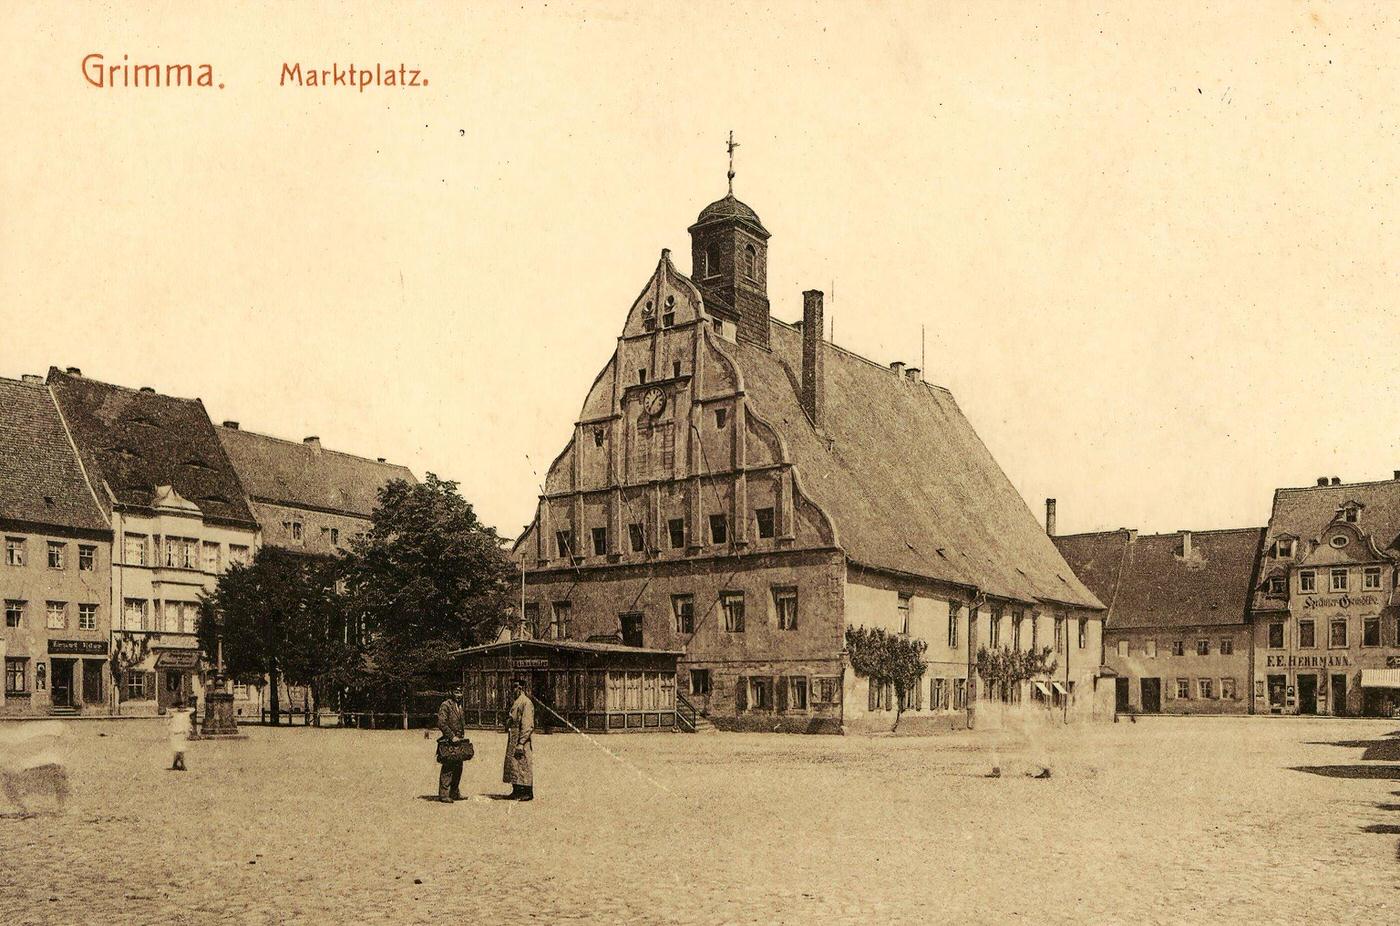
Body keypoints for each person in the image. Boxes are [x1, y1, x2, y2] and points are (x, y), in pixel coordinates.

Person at [503, 677, 534, 801]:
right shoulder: (516, 701)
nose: (514, 689)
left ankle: (527, 792)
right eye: (513, 687)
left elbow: (527, 724)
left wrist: (521, 742)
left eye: (516, 687)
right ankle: (516, 790)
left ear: (521, 688)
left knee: (523, 764)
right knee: (514, 764)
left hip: (522, 738)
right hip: (513, 736)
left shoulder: (526, 702)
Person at [436, 691, 467, 803]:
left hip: (459, 741)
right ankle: (444, 794)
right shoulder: (446, 705)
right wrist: (451, 736)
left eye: (460, 693)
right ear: (451, 692)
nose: (459, 695)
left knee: (458, 767)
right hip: (449, 741)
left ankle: (454, 792)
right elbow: (441, 723)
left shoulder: (459, 706)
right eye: (457, 692)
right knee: (448, 767)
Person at [169, 705, 194, 771]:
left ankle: (175, 764)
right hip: (176, 733)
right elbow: (169, 710)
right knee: (178, 749)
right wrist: (176, 710)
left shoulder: (185, 714)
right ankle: (181, 765)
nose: (181, 709)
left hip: (182, 734)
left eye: (183, 708)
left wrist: (186, 710)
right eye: (180, 708)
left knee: (180, 749)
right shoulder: (175, 715)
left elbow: (193, 709)